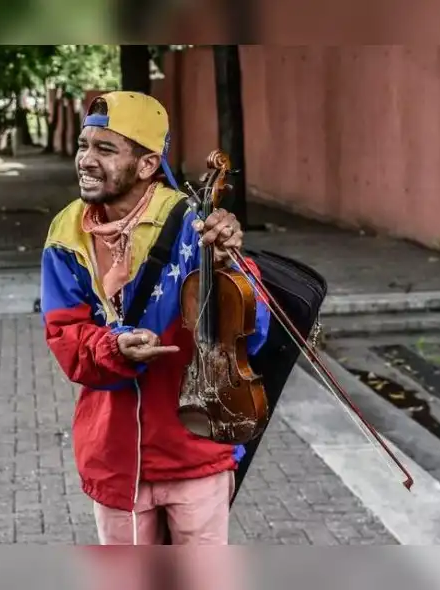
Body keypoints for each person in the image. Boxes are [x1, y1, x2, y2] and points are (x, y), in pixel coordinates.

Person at [40, 91, 270, 546]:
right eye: (84, 145)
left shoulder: (195, 224)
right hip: (115, 454)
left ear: (147, 164)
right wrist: (113, 347)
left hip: (195, 449)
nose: (86, 160)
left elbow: (254, 330)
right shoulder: (66, 234)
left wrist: (229, 266)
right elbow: (66, 338)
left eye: (105, 149)